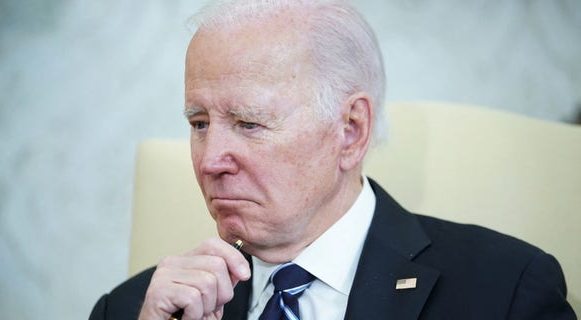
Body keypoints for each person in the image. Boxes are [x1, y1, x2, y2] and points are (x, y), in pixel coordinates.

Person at [90, 1, 576, 319]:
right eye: (199, 123)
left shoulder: (505, 291)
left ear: (351, 131)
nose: (210, 159)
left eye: (249, 123)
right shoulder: (135, 308)